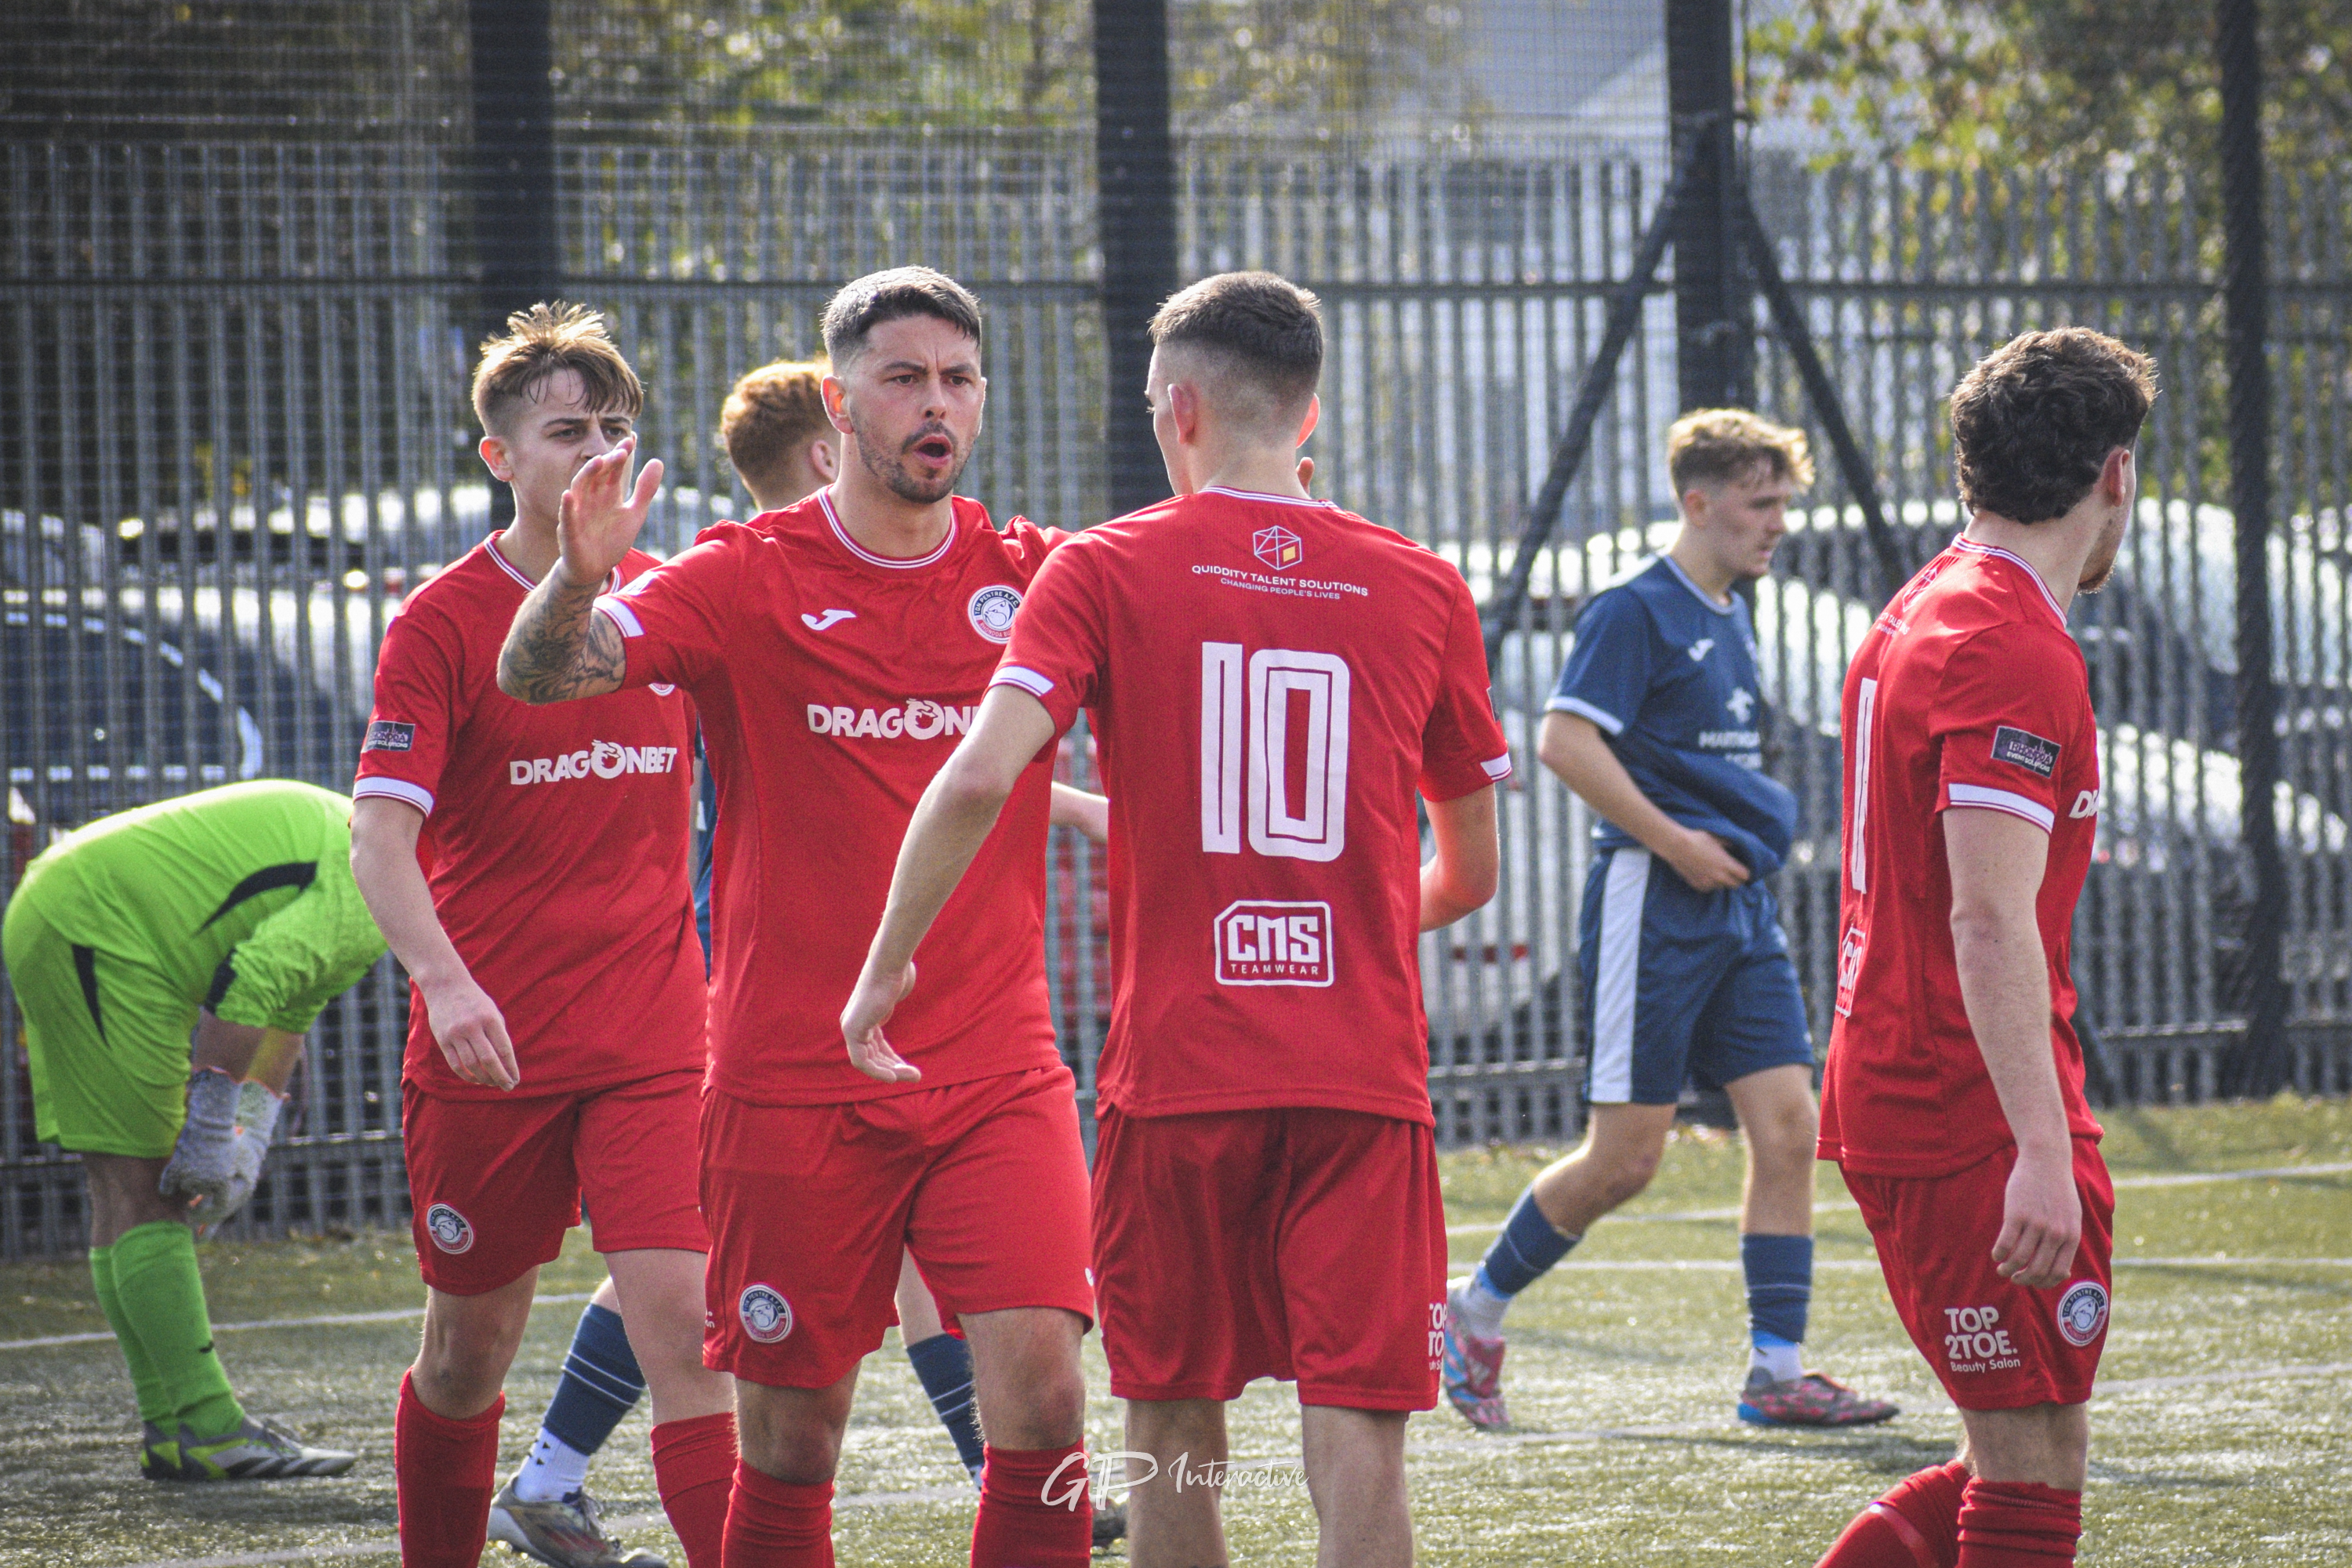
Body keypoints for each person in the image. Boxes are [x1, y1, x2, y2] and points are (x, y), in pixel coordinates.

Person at [841, 270, 1509, 1568]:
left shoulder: (1104, 566)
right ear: (1306, 417)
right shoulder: (1424, 587)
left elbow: (982, 773)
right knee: (1359, 1431)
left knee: (1173, 1427)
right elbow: (1469, 872)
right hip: (1360, 1076)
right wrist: (1355, 938)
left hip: (1182, 1079)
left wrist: (880, 973)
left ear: (1183, 407)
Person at [497, 267, 1100, 1568]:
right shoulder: (742, 576)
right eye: (903, 378)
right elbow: (539, 673)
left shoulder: (1037, 577)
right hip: (790, 1079)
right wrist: (573, 582)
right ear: (840, 403)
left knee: (1045, 1404)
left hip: (994, 1068)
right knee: (790, 1441)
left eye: (958, 379)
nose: (935, 404)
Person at [350, 303, 737, 1568]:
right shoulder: (440, 625)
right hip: (491, 1049)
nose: (596, 450)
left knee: (686, 1326)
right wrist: (445, 986)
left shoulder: (673, 608)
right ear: (499, 458)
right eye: (566, 429)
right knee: (467, 1355)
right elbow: (380, 840)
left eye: (616, 426)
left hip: (652, 1036)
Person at [1439, 409, 1899, 1432]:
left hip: (1737, 909)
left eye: (1785, 501)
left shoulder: (1733, 610)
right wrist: (1677, 841)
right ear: (1699, 503)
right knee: (1627, 1159)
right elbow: (1562, 742)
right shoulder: (1635, 610)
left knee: (1788, 1126)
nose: (1778, 523)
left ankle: (1777, 1374)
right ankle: (1470, 1315)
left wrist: (1725, 846)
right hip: (1655, 901)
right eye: (1760, 503)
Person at [1811, 327, 2148, 1568]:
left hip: (1936, 1085)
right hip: (1963, 1104)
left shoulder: (1939, 602)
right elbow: (1985, 916)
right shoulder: (2002, 638)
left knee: (2010, 1446)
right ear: (2116, 474)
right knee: (2030, 1457)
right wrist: (2043, 1153)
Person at [1, 779, 382, 1480]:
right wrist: (211, 1126)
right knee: (148, 1193)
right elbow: (250, 986)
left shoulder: (368, 850)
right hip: (101, 924)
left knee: (121, 1194)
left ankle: (174, 1427)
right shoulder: (377, 879)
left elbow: (291, 1008)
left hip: (72, 906)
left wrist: (252, 1133)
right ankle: (210, 1427)